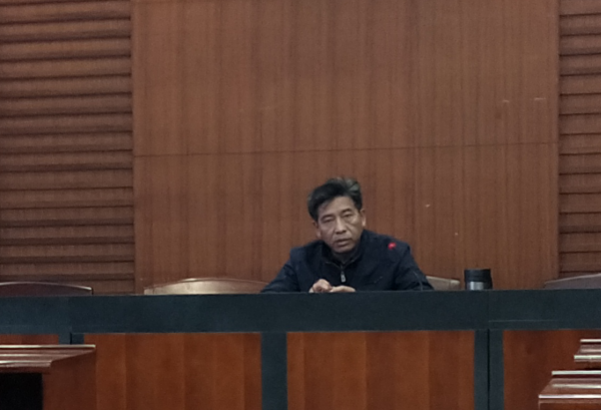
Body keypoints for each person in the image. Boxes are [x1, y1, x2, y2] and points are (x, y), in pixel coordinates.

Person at [262, 177, 433, 292]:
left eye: (347, 216)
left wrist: (359, 303)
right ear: (317, 228)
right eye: (328, 220)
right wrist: (309, 300)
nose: (340, 228)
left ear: (362, 217)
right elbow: (267, 304)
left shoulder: (393, 253)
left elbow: (424, 301)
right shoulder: (302, 259)